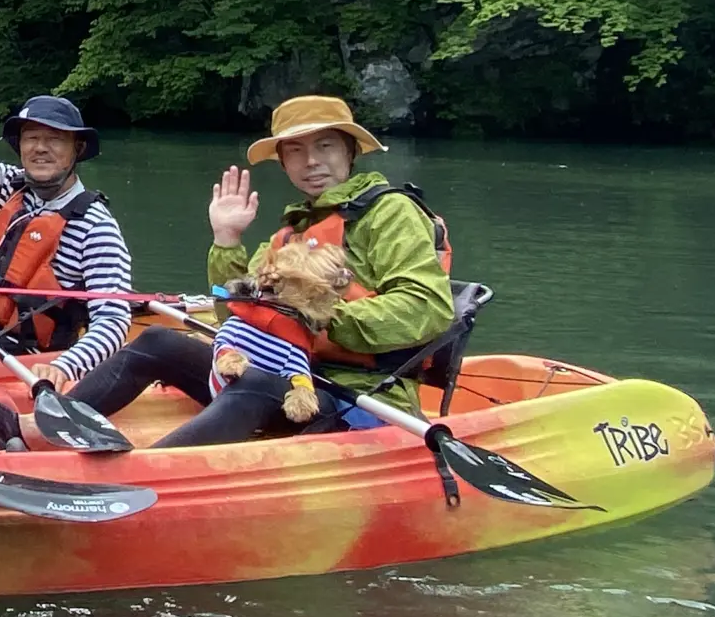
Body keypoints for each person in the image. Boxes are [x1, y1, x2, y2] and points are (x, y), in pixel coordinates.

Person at [66, 94, 456, 447]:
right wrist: (227, 241)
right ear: (283, 162)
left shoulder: (390, 212)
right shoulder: (290, 232)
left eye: (325, 146)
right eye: (296, 150)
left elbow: (428, 307)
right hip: (280, 372)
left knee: (254, 383)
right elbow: (234, 315)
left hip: (356, 394)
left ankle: (147, 474)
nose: (311, 161)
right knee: (157, 342)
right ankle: (51, 426)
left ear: (350, 151)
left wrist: (314, 316)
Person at [0, 39, 136, 443]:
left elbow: (115, 320)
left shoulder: (95, 225)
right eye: (31, 137)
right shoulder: (12, 189)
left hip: (15, 354)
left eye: (55, 139)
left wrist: (66, 366)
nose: (40, 148)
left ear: (76, 149)